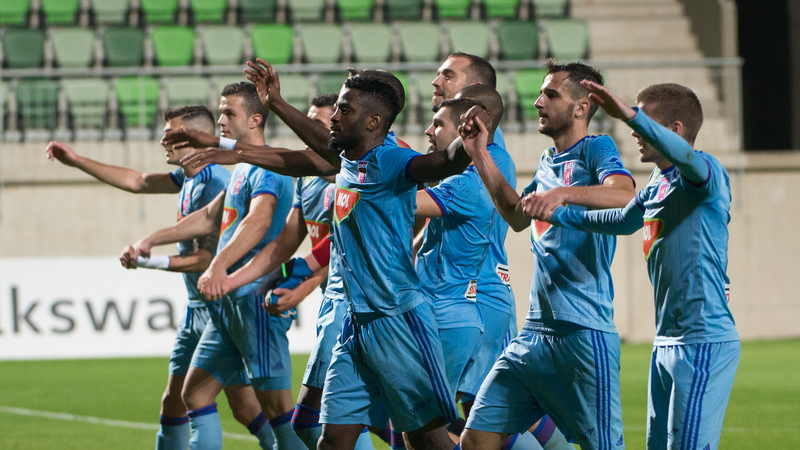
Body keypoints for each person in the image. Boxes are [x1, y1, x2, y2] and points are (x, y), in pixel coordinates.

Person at [172, 70, 483, 450]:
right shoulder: (346, 158)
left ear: (373, 121)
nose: (334, 117)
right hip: (354, 322)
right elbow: (297, 157)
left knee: (426, 439)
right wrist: (268, 111)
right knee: (329, 439)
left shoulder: (391, 159)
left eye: (344, 110)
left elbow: (440, 164)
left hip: (397, 321)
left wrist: (469, 141)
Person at [45, 106, 270, 450]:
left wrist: (151, 261)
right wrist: (76, 161)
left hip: (218, 309)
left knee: (230, 405)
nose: (163, 141)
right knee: (188, 403)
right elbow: (137, 181)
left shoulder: (215, 183)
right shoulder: (189, 177)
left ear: (192, 138)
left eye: (171, 134)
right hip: (197, 310)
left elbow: (207, 259)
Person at [540, 81, 739, 450]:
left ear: (674, 129)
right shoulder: (658, 180)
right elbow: (622, 220)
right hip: (666, 340)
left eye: (645, 122)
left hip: (702, 341)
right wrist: (561, 215)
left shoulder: (704, 171)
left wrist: (629, 114)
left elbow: (686, 156)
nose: (634, 131)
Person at [457, 61, 636, 450]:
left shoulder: (596, 148)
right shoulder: (547, 161)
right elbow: (516, 216)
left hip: (582, 334)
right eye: (540, 92)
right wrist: (478, 152)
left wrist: (563, 194)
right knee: (475, 440)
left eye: (551, 94)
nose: (538, 101)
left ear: (581, 107)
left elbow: (626, 196)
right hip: (534, 334)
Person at [121, 83, 304, 450]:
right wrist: (152, 239)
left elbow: (258, 221)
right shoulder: (241, 166)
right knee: (196, 393)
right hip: (228, 304)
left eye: (228, 113)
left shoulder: (268, 169)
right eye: (220, 112)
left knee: (276, 409)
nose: (220, 120)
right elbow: (208, 217)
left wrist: (218, 265)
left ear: (255, 120)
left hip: (255, 300)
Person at [431, 54, 571, 450]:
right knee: (487, 411)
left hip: (474, 292)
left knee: (446, 415)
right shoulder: (470, 147)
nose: (436, 81)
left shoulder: (484, 149)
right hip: (476, 290)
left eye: (447, 75)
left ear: (474, 92)